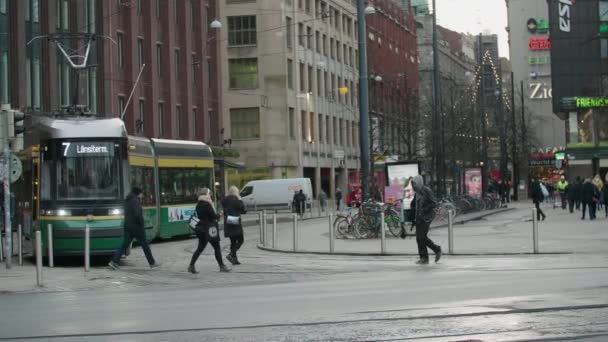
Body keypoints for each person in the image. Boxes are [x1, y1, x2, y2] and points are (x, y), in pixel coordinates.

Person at [109, 187, 159, 270]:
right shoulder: (135, 201)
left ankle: (114, 261)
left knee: (124, 245)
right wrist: (141, 223)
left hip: (127, 225)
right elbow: (137, 214)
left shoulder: (127, 200)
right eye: (141, 194)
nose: (141, 195)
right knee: (145, 244)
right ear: (138, 193)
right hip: (136, 226)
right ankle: (152, 263)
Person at [188, 188, 230, 274]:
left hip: (202, 229)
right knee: (217, 247)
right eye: (209, 194)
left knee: (200, 248)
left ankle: (191, 266)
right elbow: (213, 216)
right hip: (210, 229)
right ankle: (222, 266)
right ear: (206, 195)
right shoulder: (207, 204)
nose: (210, 196)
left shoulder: (199, 204)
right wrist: (220, 214)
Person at [410, 175, 442, 265]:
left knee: (421, 237)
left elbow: (434, 203)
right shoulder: (417, 192)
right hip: (419, 218)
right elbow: (414, 206)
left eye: (414, 184)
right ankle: (424, 258)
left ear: (419, 183)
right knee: (419, 238)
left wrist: (425, 209)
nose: (413, 186)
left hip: (427, 217)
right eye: (412, 185)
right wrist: (412, 216)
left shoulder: (426, 190)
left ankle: (436, 249)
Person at [221, 186, 247, 265]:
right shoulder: (236, 200)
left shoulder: (224, 200)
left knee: (233, 242)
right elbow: (244, 210)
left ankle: (234, 260)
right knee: (240, 240)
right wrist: (240, 199)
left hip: (228, 222)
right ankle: (231, 254)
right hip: (235, 222)